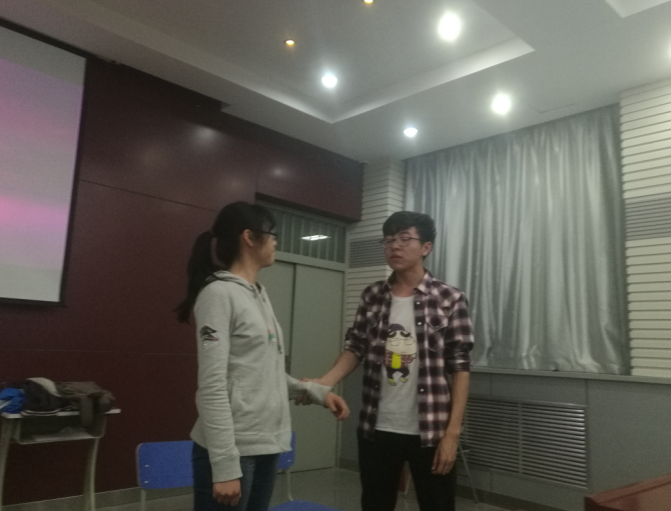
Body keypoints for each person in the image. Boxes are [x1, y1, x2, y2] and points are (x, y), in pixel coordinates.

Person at [176, 202, 349, 511]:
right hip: (234, 450)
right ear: (249, 237)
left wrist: (316, 392)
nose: (275, 243)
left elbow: (262, 373)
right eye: (272, 234)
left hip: (267, 444)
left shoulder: (257, 293)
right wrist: (225, 465)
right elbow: (212, 387)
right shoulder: (219, 294)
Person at [305, 211, 474, 511]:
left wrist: (452, 434)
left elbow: (460, 366)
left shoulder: (450, 298)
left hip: (432, 430)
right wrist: (324, 383)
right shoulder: (372, 296)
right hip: (376, 427)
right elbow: (355, 347)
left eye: (404, 238)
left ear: (426, 247)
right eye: (388, 240)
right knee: (375, 504)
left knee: (438, 505)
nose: (394, 246)